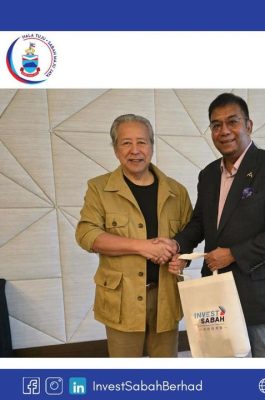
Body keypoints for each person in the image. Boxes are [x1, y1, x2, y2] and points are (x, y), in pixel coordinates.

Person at [169, 93, 265, 357]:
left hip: (259, 285)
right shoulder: (208, 174)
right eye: (216, 125)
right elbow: (200, 222)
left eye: (232, 122)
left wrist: (234, 254)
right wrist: (178, 246)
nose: (224, 131)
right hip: (216, 284)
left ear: (248, 125)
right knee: (221, 355)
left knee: (263, 355)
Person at [75, 114, 192, 357]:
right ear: (115, 149)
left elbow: (188, 237)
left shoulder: (177, 191)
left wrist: (182, 259)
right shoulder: (99, 188)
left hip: (166, 297)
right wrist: (142, 246)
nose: (135, 150)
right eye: (126, 143)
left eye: (142, 142)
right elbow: (86, 234)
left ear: (151, 146)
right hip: (122, 300)